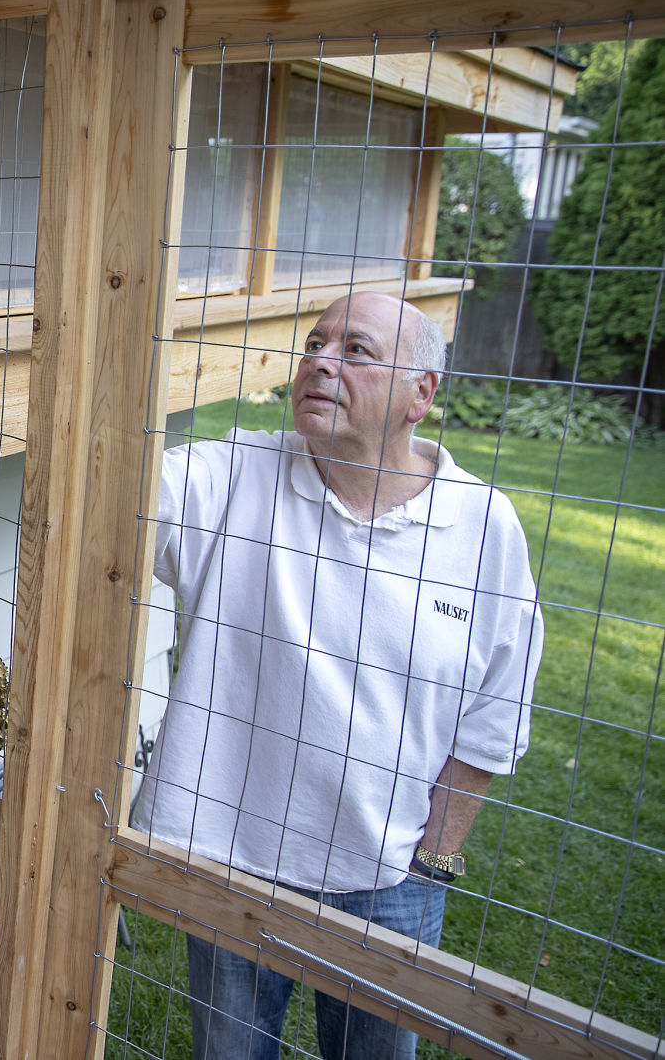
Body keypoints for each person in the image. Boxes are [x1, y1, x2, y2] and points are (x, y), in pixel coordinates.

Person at [130, 290, 544, 1060]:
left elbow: (495, 711)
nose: (320, 360)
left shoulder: (483, 527)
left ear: (421, 395)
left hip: (388, 878)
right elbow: (108, 490)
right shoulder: (231, 475)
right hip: (232, 863)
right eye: (315, 343)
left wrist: (431, 860)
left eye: (355, 350)